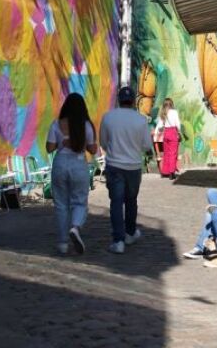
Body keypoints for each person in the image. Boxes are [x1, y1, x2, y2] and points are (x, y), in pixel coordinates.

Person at [100, 86, 153, 255]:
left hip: (114, 165)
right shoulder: (141, 120)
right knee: (131, 201)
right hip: (133, 167)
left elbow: (103, 142)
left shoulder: (108, 118)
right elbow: (146, 145)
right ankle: (130, 233)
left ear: (119, 99)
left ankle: (118, 241)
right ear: (133, 101)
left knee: (116, 203)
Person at [46, 93, 98, 255]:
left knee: (61, 204)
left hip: (60, 163)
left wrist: (62, 142)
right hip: (78, 164)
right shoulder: (87, 126)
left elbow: (49, 148)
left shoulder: (56, 124)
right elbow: (93, 149)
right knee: (80, 202)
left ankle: (62, 244)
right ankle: (75, 227)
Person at [154, 98, 181, 179]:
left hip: (166, 134)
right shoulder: (174, 112)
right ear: (171, 104)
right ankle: (172, 173)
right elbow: (177, 123)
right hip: (173, 132)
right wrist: (179, 132)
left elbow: (159, 126)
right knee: (173, 153)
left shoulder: (163, 113)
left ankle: (165, 172)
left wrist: (156, 133)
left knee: (167, 153)